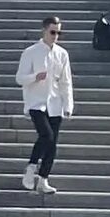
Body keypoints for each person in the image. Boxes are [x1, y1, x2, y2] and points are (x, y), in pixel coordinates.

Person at [16, 16, 74, 195]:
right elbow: (19, 78)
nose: (55, 36)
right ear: (44, 30)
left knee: (52, 144)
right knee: (46, 135)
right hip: (36, 102)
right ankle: (31, 167)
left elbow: (66, 81)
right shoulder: (31, 52)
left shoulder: (62, 54)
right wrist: (35, 77)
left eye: (58, 32)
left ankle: (43, 179)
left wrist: (68, 104)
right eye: (52, 32)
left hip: (55, 102)